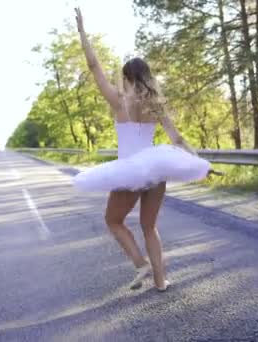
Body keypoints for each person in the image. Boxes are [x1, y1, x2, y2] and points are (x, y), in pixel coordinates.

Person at [73, 8, 214, 291]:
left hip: (131, 171)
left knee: (112, 220)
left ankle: (141, 264)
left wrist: (82, 33)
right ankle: (161, 281)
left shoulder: (118, 102)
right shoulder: (154, 104)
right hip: (157, 167)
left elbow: (94, 67)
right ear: (147, 77)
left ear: (126, 78)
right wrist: (201, 164)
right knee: (149, 226)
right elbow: (177, 139)